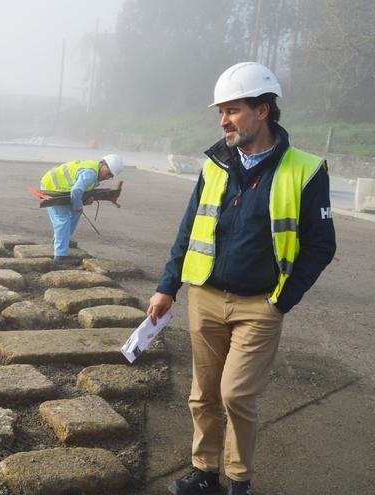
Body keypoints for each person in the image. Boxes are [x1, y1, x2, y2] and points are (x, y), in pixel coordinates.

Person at [147, 62, 335, 495]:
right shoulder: (214, 164)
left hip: (260, 304)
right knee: (203, 395)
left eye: (232, 110)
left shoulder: (306, 170)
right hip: (206, 296)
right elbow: (189, 227)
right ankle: (204, 472)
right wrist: (166, 286)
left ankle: (238, 481)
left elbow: (321, 245)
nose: (223, 120)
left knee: (235, 396)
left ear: (263, 110)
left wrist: (281, 300)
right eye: (221, 112)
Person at [39, 155, 123, 266]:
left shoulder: (94, 169)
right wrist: (78, 205)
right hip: (52, 187)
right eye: (108, 174)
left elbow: (80, 189)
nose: (107, 177)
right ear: (103, 163)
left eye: (111, 176)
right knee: (62, 219)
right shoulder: (91, 173)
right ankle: (60, 257)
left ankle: (61, 239)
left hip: (62, 188)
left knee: (75, 213)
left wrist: (85, 199)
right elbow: (77, 190)